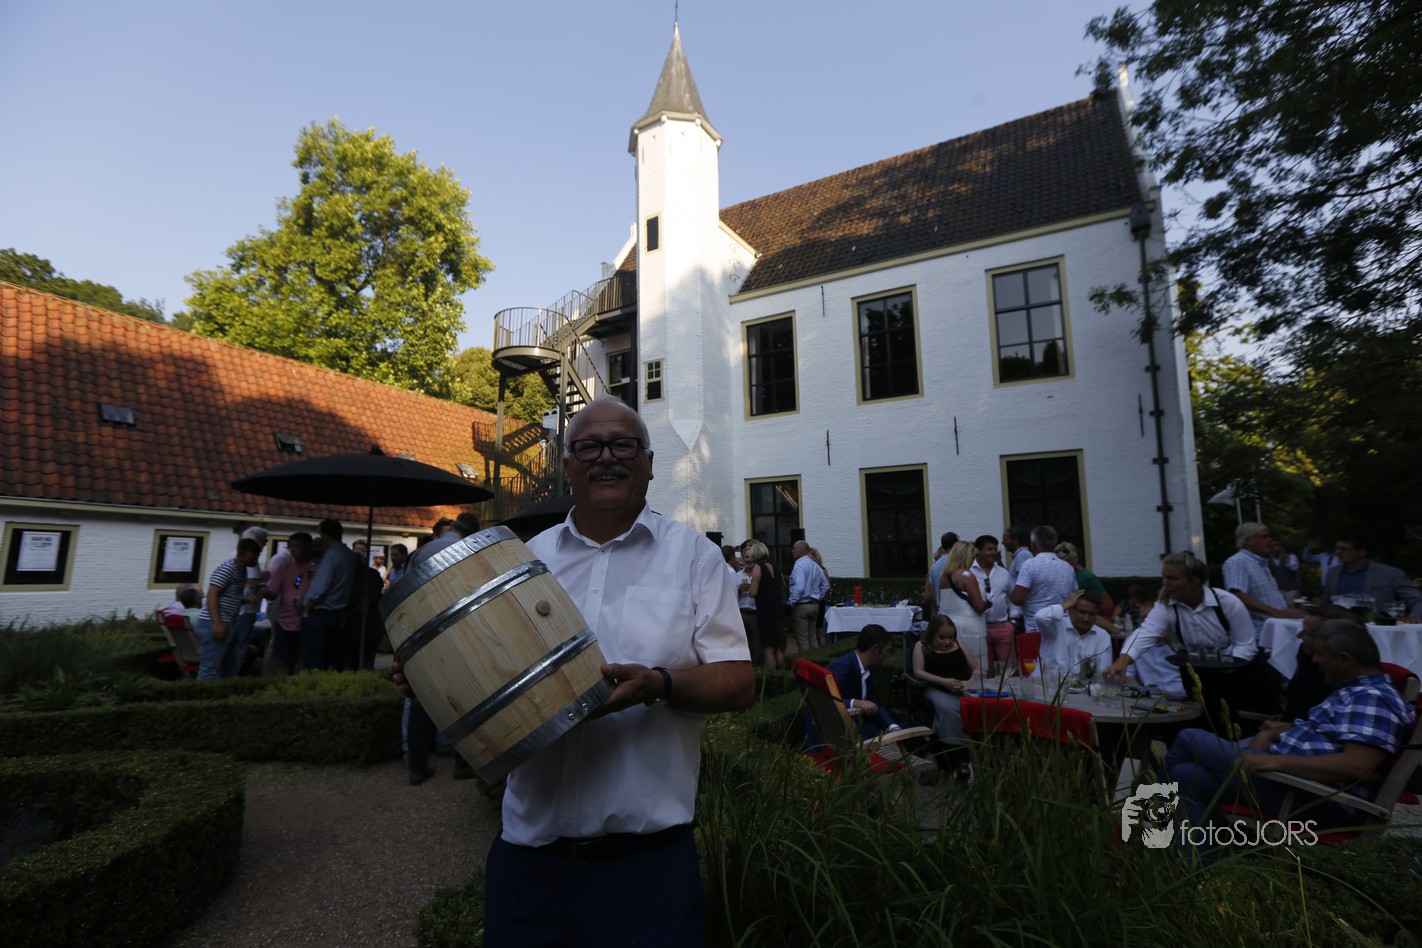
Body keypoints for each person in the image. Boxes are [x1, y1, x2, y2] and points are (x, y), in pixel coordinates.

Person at [398, 396, 752, 946]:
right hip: (528, 866)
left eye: (623, 445)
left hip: (647, 872)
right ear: (568, 466)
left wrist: (658, 684)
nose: (606, 457)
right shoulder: (524, 561)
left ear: (649, 462)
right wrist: (437, 681)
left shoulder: (695, 559)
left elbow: (738, 681)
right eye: (588, 447)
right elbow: (489, 680)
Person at [1165, 619, 1415, 833]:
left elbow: (1357, 766)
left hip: (1313, 796)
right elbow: (1329, 735)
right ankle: (1194, 864)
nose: (1314, 660)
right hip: (1291, 783)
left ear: (1343, 659)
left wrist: (1276, 761)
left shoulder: (1372, 697)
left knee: (1189, 737)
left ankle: (1156, 827)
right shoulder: (1354, 692)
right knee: (1185, 775)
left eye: (1319, 654)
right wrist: (1275, 733)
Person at [1104, 551, 1264, 728]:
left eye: (1172, 578)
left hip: (1237, 677)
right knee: (1202, 726)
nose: (1165, 583)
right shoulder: (1166, 607)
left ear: (1194, 580)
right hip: (1198, 677)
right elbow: (1146, 633)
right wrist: (1123, 660)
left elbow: (1246, 646)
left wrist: (1225, 666)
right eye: (1164, 577)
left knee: (1240, 727)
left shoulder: (1227, 602)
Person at [911, 613, 978, 770]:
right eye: (942, 638)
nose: (947, 642)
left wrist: (969, 682)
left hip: (964, 688)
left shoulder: (960, 644)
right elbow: (918, 672)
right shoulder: (921, 647)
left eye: (950, 637)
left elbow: (977, 669)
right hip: (935, 687)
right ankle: (956, 752)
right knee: (949, 708)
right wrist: (944, 682)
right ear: (932, 635)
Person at [193, 537, 262, 680]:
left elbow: (228, 595)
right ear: (241, 554)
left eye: (256, 557)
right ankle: (204, 692)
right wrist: (217, 623)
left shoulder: (242, 570)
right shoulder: (227, 569)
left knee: (232, 666)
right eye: (251, 558)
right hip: (214, 623)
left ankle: (222, 691)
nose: (254, 561)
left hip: (229, 623)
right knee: (210, 669)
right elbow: (212, 594)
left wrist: (244, 600)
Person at [1222, 522, 1302, 635]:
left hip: (1274, 630)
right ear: (1247, 541)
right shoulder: (1237, 562)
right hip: (1260, 633)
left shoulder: (1260, 563)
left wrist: (1286, 612)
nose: (1270, 540)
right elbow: (1238, 595)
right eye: (1264, 537)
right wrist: (1278, 613)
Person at [1324, 532, 1422, 621]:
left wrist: (1415, 617)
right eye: (1337, 548)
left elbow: (1417, 600)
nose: (1338, 552)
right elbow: (1327, 603)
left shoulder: (1390, 573)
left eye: (1344, 549)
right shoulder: (1333, 573)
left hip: (1377, 629)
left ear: (1362, 552)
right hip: (1340, 629)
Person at [301, 519, 357, 671]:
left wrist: (306, 610)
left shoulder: (331, 556)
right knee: (331, 659)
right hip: (340, 612)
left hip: (321, 613)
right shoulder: (349, 555)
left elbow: (320, 588)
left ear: (325, 536)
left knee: (314, 660)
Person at [826, 625, 900, 740]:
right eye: (887, 651)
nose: (888, 655)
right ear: (875, 649)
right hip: (841, 732)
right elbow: (825, 700)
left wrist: (892, 725)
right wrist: (853, 702)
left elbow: (875, 702)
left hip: (858, 725)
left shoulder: (866, 667)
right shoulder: (842, 668)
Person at [261, 532, 312, 677]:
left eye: (297, 546)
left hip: (308, 621)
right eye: (290, 546)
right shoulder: (285, 567)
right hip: (285, 621)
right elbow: (273, 592)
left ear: (308, 547)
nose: (293, 550)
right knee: (282, 661)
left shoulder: (317, 567)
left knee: (305, 662)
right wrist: (265, 592)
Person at [1033, 590, 1113, 681]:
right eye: (1082, 612)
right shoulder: (1055, 627)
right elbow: (1040, 617)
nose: (1086, 619)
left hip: (1083, 688)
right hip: (1044, 685)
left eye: (1091, 614)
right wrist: (1067, 604)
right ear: (1070, 610)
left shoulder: (1103, 636)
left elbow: (1103, 673)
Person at [1010, 526, 1076, 633]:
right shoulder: (1068, 567)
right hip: (1064, 626)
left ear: (1033, 545)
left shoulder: (1029, 565)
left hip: (1036, 627)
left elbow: (1017, 599)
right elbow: (1074, 595)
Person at [937, 540, 989, 674]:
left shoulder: (944, 576)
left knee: (956, 665)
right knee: (976, 667)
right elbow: (979, 606)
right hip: (970, 628)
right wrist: (989, 603)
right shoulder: (967, 576)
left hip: (950, 626)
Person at [970, 535, 1015, 676]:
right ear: (978, 551)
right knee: (986, 671)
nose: (993, 552)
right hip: (979, 628)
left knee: (1008, 671)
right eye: (989, 549)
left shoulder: (1003, 572)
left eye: (995, 549)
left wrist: (1013, 621)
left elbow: (1013, 598)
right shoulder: (969, 572)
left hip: (1002, 627)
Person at [745, 539, 785, 670]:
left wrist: (749, 588)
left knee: (768, 648)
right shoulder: (775, 566)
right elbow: (782, 586)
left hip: (766, 610)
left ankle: (772, 676)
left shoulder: (758, 568)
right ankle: (782, 673)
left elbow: (753, 592)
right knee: (777, 647)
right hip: (778, 608)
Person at [788, 539, 829, 653]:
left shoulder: (799, 565)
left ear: (801, 550)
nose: (792, 551)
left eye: (794, 549)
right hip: (814, 605)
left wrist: (791, 602)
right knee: (812, 637)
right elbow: (825, 585)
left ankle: (806, 661)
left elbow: (799, 587)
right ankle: (817, 659)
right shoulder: (815, 565)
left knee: (802, 639)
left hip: (802, 605)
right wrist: (817, 598)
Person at [922, 531, 959, 614]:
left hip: (941, 610)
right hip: (957, 610)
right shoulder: (957, 563)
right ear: (956, 545)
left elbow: (931, 592)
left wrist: (936, 607)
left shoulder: (934, 567)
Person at [1267, 538, 1302, 605]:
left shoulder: (1291, 557)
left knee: (1292, 607)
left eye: (1277, 545)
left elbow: (1294, 569)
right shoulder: (1269, 560)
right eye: (1273, 546)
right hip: (1277, 590)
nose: (1276, 548)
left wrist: (1286, 560)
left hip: (1291, 589)